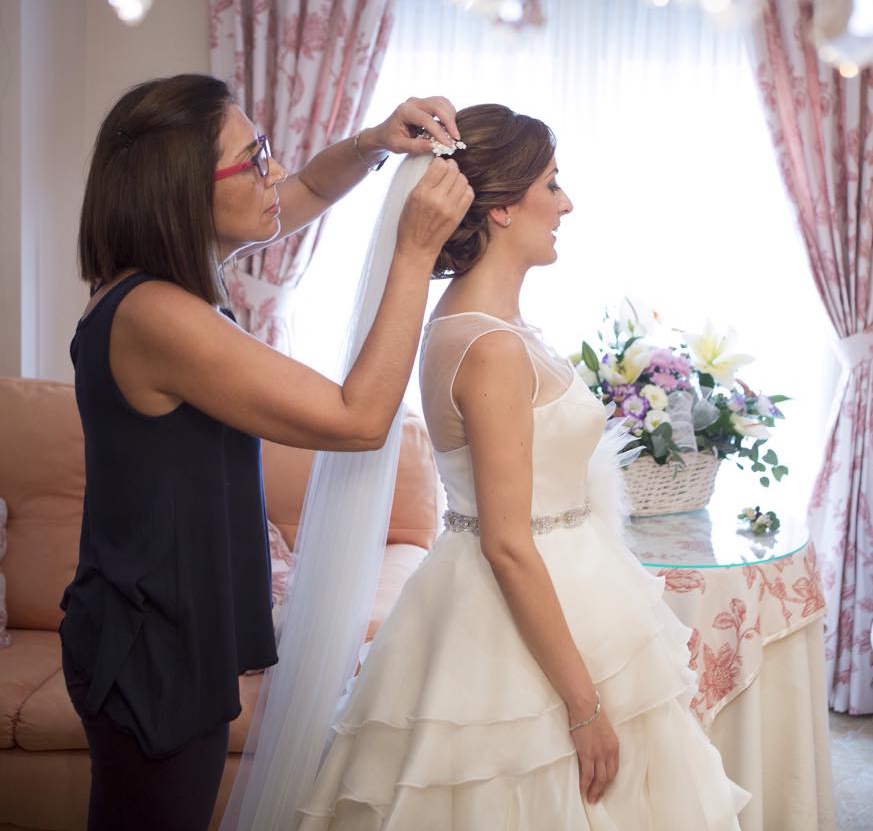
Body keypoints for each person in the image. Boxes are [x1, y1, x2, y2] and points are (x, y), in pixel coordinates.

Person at [245, 103, 751, 829]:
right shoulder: (489, 348)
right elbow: (507, 541)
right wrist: (581, 708)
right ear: (504, 209)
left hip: (564, 583)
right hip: (523, 601)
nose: (566, 202)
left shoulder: (485, 325)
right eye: (551, 183)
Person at [60, 72, 472, 831]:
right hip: (148, 641)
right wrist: (414, 253)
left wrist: (375, 141)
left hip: (171, 625)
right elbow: (358, 419)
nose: (276, 172)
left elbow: (308, 189)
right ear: (181, 190)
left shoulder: (158, 287)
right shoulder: (157, 314)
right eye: (254, 158)